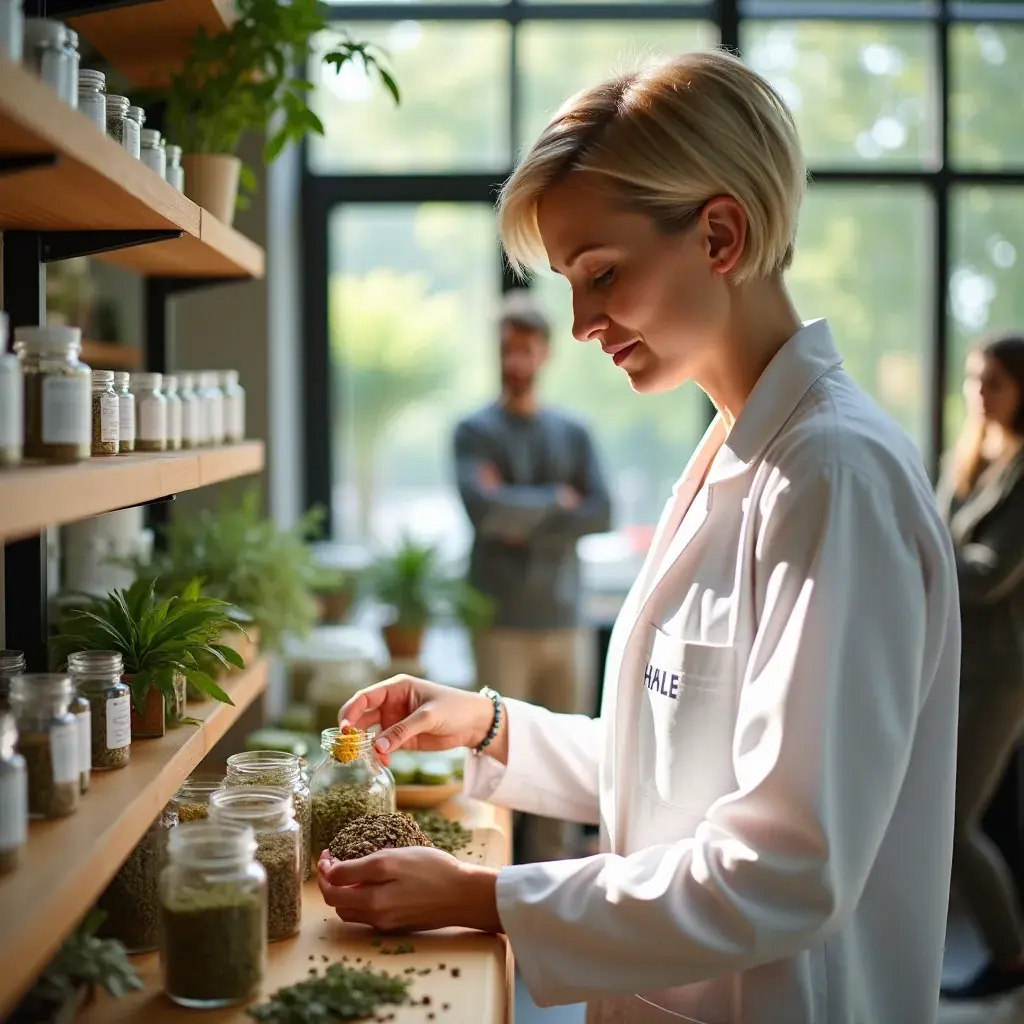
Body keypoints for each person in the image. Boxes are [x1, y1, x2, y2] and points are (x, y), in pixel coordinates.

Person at [317, 50, 961, 1024]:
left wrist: (485, 898)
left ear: (718, 234)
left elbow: (783, 868)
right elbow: (672, 766)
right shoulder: (738, 451)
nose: (580, 323)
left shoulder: (831, 479)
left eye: (600, 274)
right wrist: (493, 725)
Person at [453, 289, 612, 862]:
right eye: (506, 349)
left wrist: (518, 512)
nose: (515, 361)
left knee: (566, 769)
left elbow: (602, 512)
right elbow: (482, 511)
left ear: (546, 353)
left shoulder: (574, 434)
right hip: (498, 621)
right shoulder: (473, 432)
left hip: (564, 618)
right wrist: (557, 502)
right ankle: (493, 891)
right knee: (496, 763)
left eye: (526, 349)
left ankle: (557, 892)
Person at [936, 332, 1024, 1001]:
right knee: (942, 814)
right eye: (973, 378)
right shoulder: (971, 460)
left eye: (993, 380)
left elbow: (988, 576)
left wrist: (923, 557)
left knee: (955, 820)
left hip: (1001, 672)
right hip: (955, 662)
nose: (978, 392)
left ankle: (1011, 954)